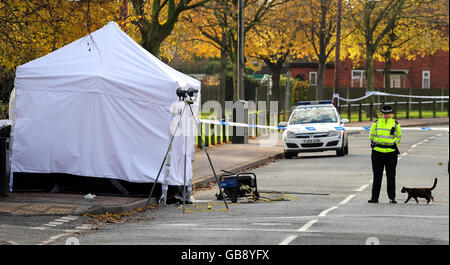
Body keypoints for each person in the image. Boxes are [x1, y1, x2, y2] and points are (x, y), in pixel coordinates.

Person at [368, 105, 402, 204]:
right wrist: (378, 142)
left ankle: (392, 197)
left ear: (391, 113)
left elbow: (399, 137)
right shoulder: (376, 123)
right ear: (382, 113)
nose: (386, 115)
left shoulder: (395, 123)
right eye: (385, 113)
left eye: (388, 113)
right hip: (377, 152)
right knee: (377, 175)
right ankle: (374, 198)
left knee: (391, 175)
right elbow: (371, 135)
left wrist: (391, 143)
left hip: (391, 153)